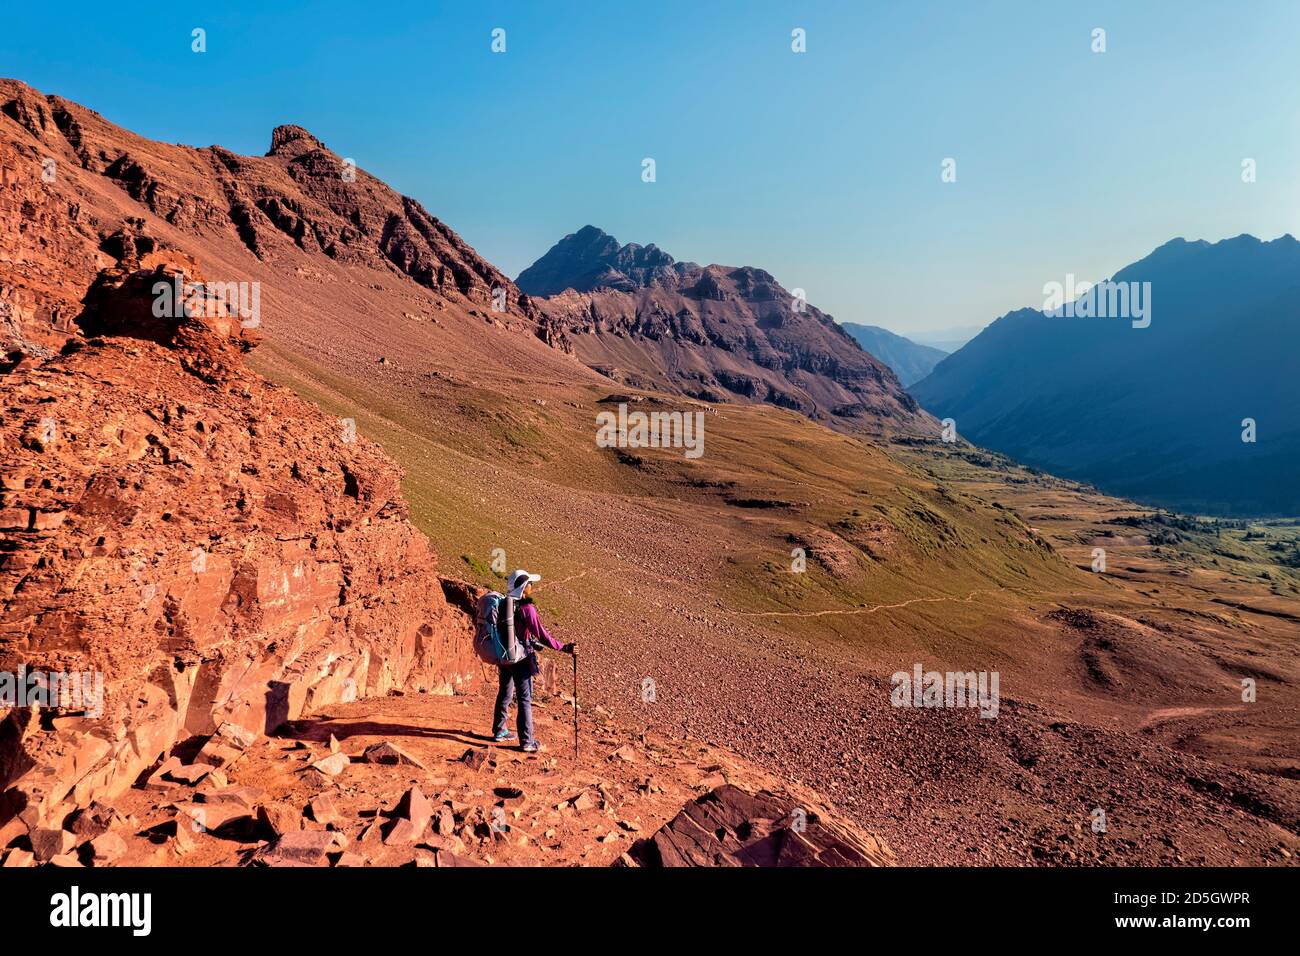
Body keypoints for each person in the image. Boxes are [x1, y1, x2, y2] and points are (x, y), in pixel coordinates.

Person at [491, 569, 576, 752]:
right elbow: (543, 635)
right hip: (520, 658)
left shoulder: (503, 603)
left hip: (504, 654)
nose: (532, 587)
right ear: (524, 587)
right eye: (530, 584)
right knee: (524, 699)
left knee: (505, 691)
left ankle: (499, 730)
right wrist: (563, 647)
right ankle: (527, 742)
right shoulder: (527, 608)